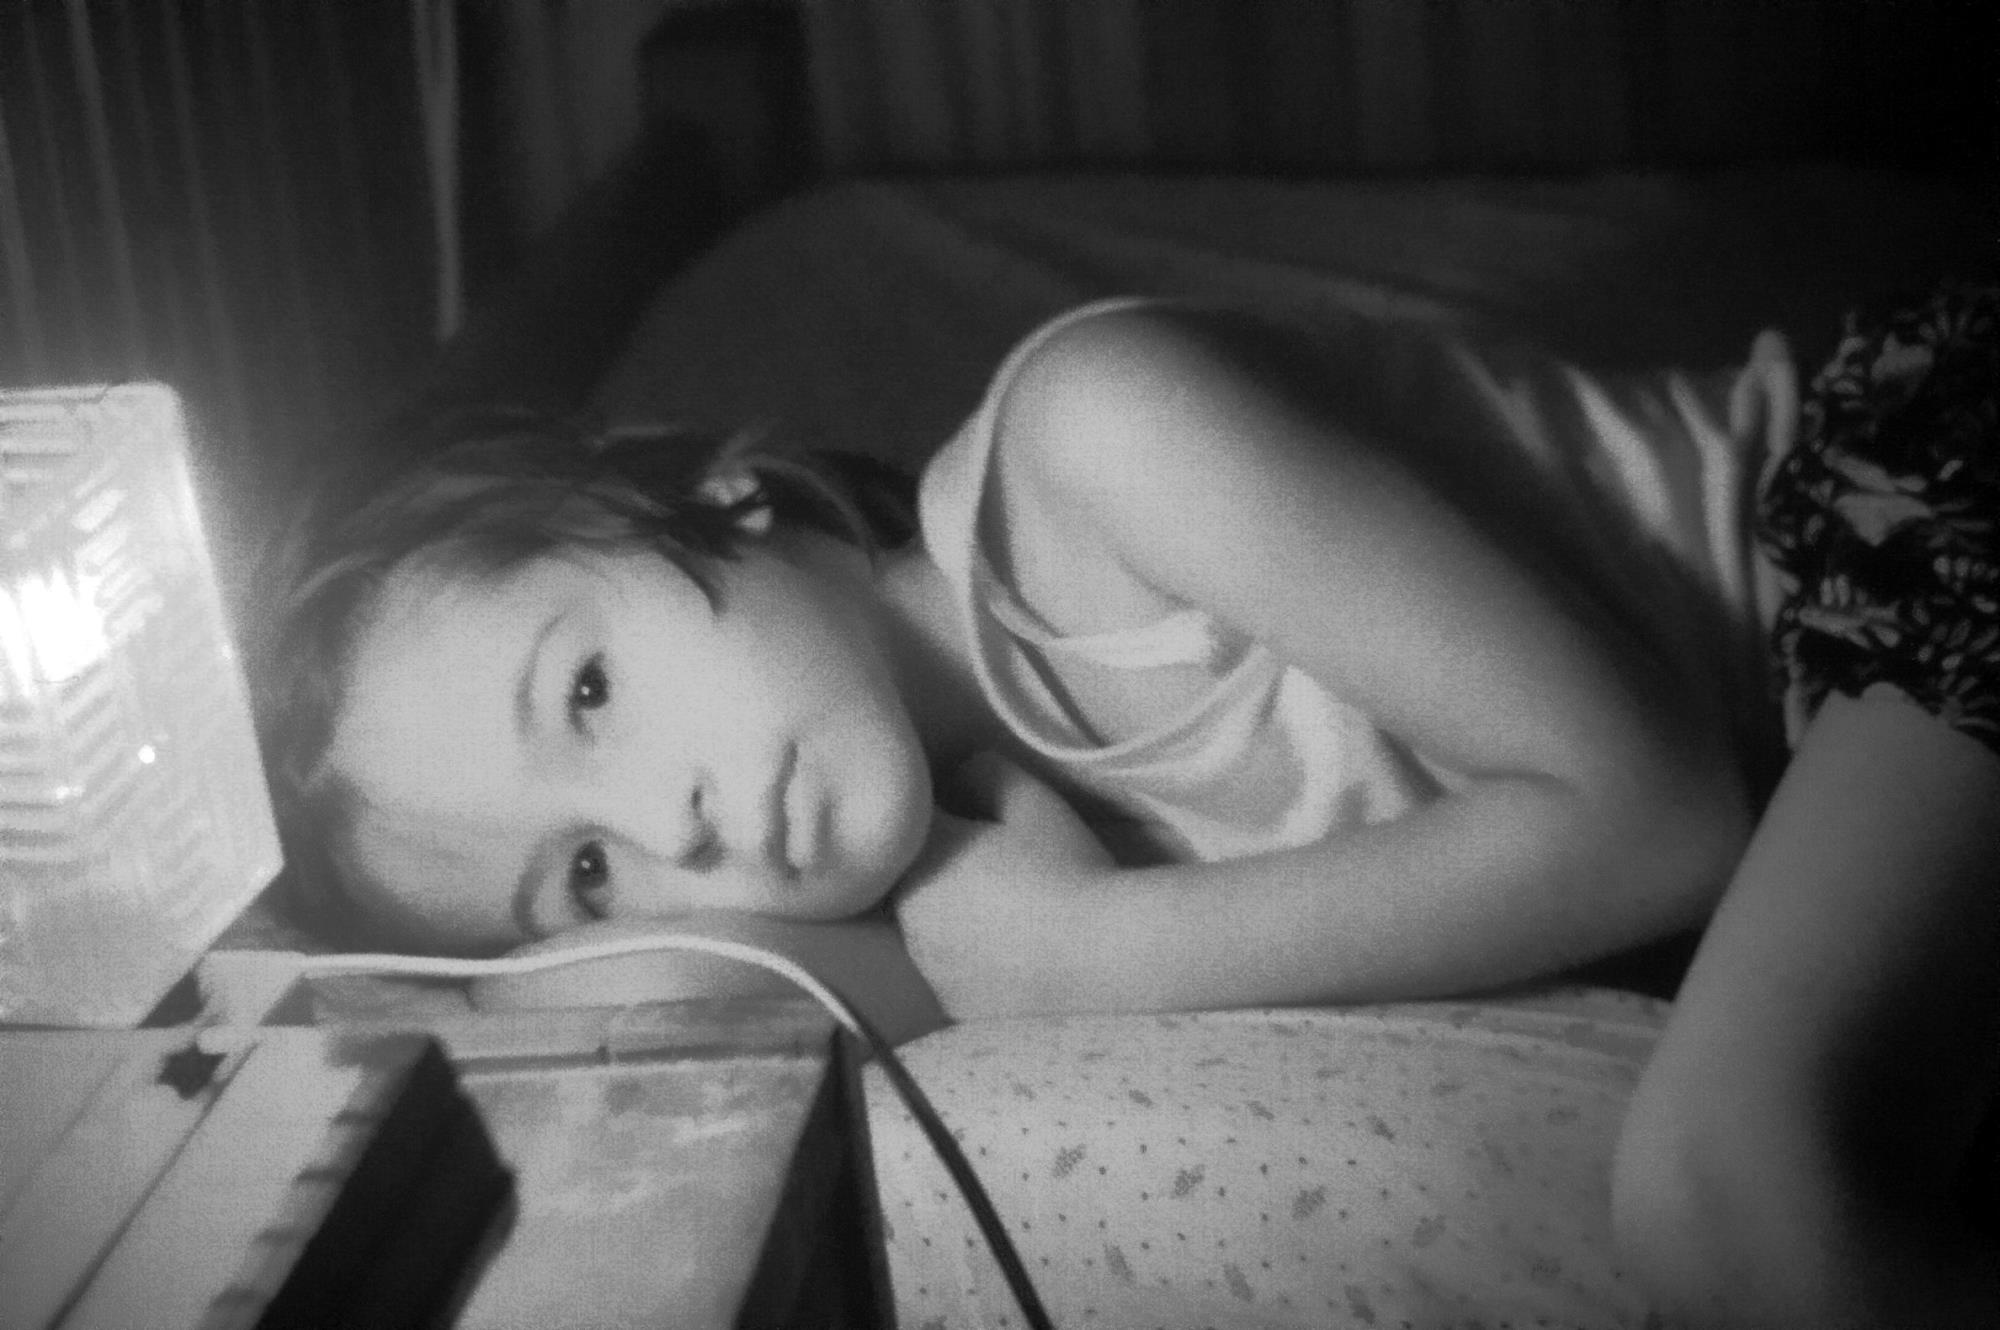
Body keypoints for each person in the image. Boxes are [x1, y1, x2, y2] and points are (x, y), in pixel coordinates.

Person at [257, 285, 1996, 1324]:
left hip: (1898, 514)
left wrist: (1102, 954)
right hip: (1848, 733)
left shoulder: (1097, 437)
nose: (677, 827)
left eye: (585, 690)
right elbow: (655, 1033)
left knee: (1723, 1184)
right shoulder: (937, 864)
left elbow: (1659, 816)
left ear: (719, 489)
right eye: (583, 870)